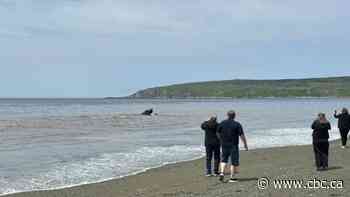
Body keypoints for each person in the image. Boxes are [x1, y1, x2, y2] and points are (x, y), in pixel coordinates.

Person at [217, 110, 248, 183]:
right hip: (233, 145)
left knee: (224, 159)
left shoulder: (222, 123)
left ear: (227, 115)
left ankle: (221, 173)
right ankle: (232, 178)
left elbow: (217, 132)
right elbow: (241, 135)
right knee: (233, 162)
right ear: (234, 116)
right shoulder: (237, 124)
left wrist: (220, 140)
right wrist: (245, 144)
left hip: (224, 144)